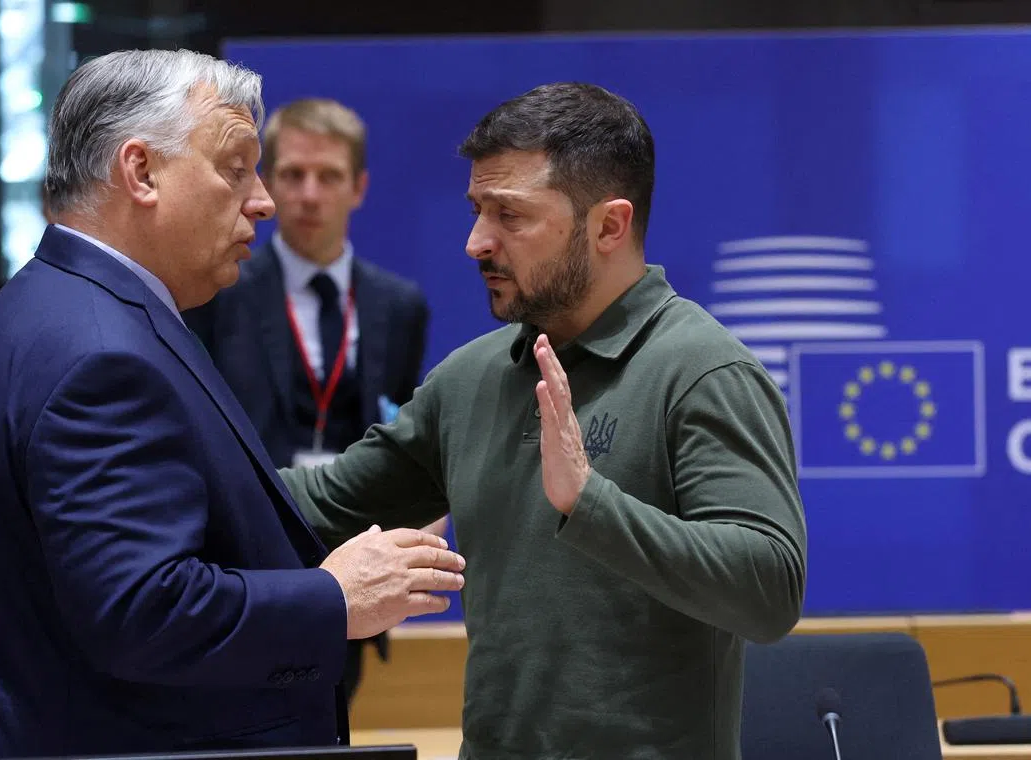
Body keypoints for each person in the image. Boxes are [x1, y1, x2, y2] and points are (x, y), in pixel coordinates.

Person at [282, 82, 808, 759]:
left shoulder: (703, 372)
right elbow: (317, 507)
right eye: (477, 210)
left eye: (510, 216)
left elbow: (769, 591)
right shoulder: (470, 378)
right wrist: (165, 470)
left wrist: (591, 503)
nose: (476, 242)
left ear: (609, 226)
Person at [0, 49, 465, 758]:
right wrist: (334, 597)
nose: (265, 200)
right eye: (234, 167)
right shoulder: (102, 353)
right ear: (141, 172)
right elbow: (141, 610)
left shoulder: (49, 305)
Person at [183, 98, 439, 701]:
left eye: (328, 177)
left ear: (359, 188)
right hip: (244, 557)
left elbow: (399, 423)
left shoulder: (398, 305)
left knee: (331, 717)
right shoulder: (221, 291)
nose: (308, 194)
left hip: (351, 552)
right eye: (292, 174)